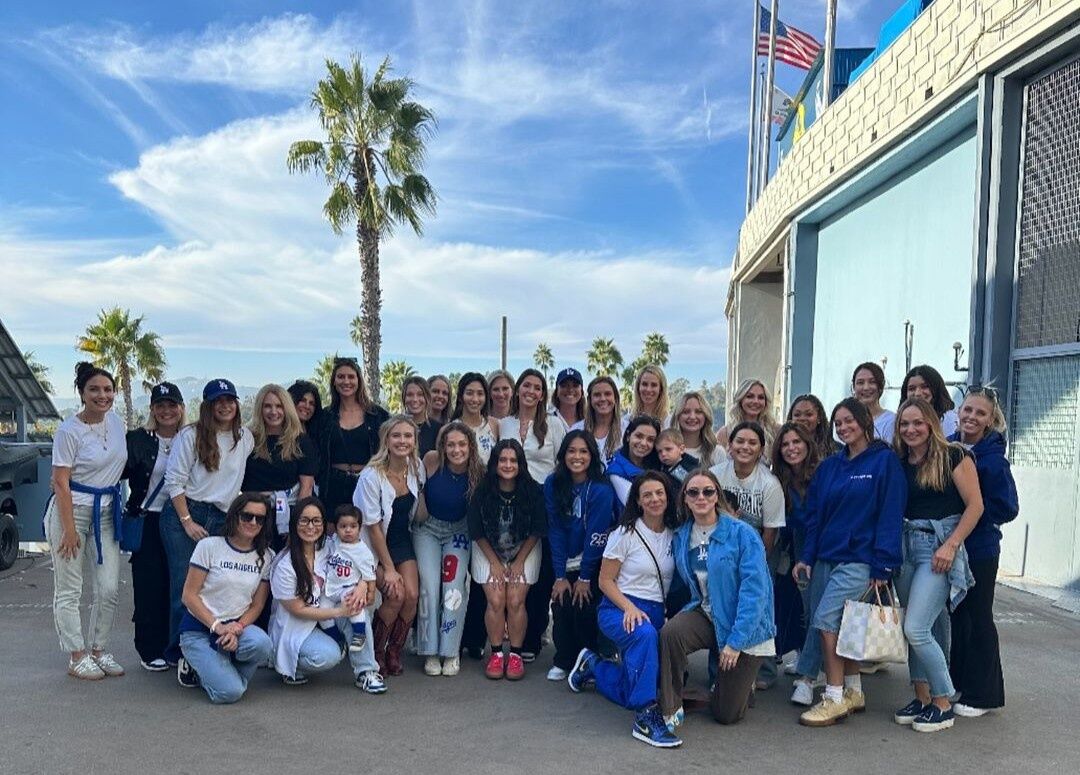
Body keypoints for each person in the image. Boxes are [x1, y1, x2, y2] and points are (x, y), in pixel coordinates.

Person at [792, 397, 906, 727]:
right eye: (838, 423)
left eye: (849, 420)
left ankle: (833, 696)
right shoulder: (830, 466)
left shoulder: (884, 461)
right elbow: (815, 517)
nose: (843, 427)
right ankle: (854, 690)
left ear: (864, 421)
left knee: (826, 621)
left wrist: (883, 565)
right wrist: (807, 557)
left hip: (860, 561)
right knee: (848, 624)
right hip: (826, 558)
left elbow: (891, 514)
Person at [567, 472, 679, 748]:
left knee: (640, 683)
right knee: (644, 636)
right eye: (647, 495)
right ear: (638, 501)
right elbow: (605, 581)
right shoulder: (625, 533)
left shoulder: (674, 534)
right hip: (620, 607)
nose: (654, 499)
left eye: (659, 493)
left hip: (655, 611)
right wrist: (629, 608)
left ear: (668, 497)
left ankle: (594, 666)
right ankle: (645, 716)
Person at [659, 470, 776, 734]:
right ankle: (670, 706)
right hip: (707, 614)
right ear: (685, 499)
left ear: (716, 496)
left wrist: (735, 642)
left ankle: (737, 686)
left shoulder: (742, 534)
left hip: (742, 625)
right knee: (670, 633)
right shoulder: (682, 536)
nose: (701, 497)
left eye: (708, 491)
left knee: (726, 714)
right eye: (693, 492)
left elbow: (755, 593)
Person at [891, 397, 982, 733]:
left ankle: (943, 702)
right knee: (920, 626)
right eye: (904, 423)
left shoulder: (954, 455)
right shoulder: (900, 462)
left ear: (931, 423)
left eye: (918, 422)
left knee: (915, 628)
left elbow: (975, 506)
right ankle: (922, 696)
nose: (911, 429)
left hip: (937, 547)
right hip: (905, 547)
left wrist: (951, 545)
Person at [162, 378, 254, 675]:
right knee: (185, 586)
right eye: (218, 401)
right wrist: (187, 521)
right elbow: (174, 481)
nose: (225, 406)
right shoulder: (190, 435)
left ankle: (211, 647)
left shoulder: (245, 438)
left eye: (229, 400)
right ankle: (180, 653)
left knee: (214, 588)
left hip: (223, 517)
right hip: (188, 512)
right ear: (208, 405)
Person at [46, 362, 128, 680]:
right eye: (94, 389)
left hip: (106, 514)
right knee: (70, 588)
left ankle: (98, 649)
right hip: (72, 513)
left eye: (108, 389)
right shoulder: (69, 431)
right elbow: (60, 481)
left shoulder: (116, 423)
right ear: (82, 393)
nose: (102, 395)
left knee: (108, 588)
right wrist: (69, 530)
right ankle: (76, 654)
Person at [947, 386, 1018, 717]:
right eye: (968, 410)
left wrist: (973, 513)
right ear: (959, 412)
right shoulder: (948, 447)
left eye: (980, 413)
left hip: (979, 549)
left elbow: (1008, 507)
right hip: (950, 546)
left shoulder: (993, 461)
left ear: (991, 420)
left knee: (978, 618)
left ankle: (983, 695)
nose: (972, 417)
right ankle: (960, 681)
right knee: (957, 618)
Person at [268, 497, 384, 692]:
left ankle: (366, 671)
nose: (310, 526)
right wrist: (340, 612)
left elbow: (359, 563)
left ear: (324, 524)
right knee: (328, 656)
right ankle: (288, 664)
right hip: (298, 626)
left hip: (327, 611)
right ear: (294, 523)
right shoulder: (285, 564)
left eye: (316, 520)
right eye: (304, 520)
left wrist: (363, 585)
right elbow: (298, 610)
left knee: (356, 606)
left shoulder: (331, 546)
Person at [710, 421, 786, 689]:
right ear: (729, 446)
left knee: (759, 605)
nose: (745, 447)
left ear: (761, 450)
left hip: (759, 547)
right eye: (739, 441)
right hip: (722, 546)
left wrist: (756, 564)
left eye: (752, 443)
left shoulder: (769, 484)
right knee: (721, 604)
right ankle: (720, 670)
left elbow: (771, 531)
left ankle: (763, 671)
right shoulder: (716, 475)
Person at [178, 493, 274, 703]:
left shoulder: (266, 556)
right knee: (230, 693)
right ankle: (202, 670)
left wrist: (236, 628)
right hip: (200, 629)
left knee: (263, 644)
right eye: (247, 516)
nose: (253, 522)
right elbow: (189, 596)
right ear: (234, 516)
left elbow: (257, 605)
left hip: (236, 629)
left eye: (260, 519)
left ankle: (221, 671)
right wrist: (218, 627)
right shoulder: (209, 546)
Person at [466, 439, 547, 680]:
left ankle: (516, 655)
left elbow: (537, 529)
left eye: (513, 460)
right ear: (495, 463)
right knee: (495, 599)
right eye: (503, 460)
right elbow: (476, 530)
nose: (508, 465)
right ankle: (496, 653)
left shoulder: (533, 490)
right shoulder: (482, 491)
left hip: (525, 548)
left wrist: (519, 561)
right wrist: (494, 562)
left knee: (515, 599)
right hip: (488, 549)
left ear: (521, 464)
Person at [353, 415, 425, 677]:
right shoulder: (371, 476)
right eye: (396, 436)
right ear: (386, 440)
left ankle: (395, 650)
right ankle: (376, 651)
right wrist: (389, 569)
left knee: (412, 595)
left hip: (401, 540)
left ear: (414, 440)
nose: (402, 441)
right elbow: (373, 527)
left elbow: (418, 510)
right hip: (374, 547)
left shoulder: (416, 467)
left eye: (408, 436)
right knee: (396, 595)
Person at [500, 369, 564, 661]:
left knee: (540, 573)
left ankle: (532, 638)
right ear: (518, 389)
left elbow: (562, 463)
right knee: (514, 570)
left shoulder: (553, 424)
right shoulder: (505, 423)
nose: (531, 391)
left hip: (543, 502)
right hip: (511, 502)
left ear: (542, 394)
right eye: (526, 385)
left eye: (537, 387)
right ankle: (508, 632)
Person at [544, 431, 617, 681]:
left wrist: (585, 577)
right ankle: (564, 659)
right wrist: (560, 575)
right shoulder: (553, 483)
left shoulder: (601, 489)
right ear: (563, 455)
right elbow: (555, 529)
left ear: (592, 456)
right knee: (561, 602)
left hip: (594, 561)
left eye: (583, 451)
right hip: (564, 558)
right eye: (572, 451)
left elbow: (596, 535)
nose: (577, 457)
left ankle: (590, 659)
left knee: (585, 606)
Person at [123, 381, 185, 672]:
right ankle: (149, 647)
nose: (166, 410)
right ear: (152, 409)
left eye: (172, 405)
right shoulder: (138, 439)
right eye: (160, 405)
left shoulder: (191, 438)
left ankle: (176, 644)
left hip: (179, 518)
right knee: (149, 584)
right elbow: (114, 469)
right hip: (148, 517)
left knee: (178, 583)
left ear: (181, 408)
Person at [414, 422, 484, 677]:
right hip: (428, 530)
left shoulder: (479, 470)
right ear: (442, 446)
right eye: (451, 444)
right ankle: (430, 651)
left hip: (459, 531)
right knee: (429, 586)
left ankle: (451, 650)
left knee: (454, 588)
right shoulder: (431, 461)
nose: (456, 450)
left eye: (462, 444)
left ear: (470, 446)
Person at [770, 422, 823, 705]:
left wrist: (806, 557)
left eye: (796, 442)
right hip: (794, 544)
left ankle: (809, 675)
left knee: (816, 610)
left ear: (807, 444)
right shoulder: (780, 479)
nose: (791, 448)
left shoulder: (821, 473)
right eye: (786, 444)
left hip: (820, 545)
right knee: (804, 609)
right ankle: (809, 659)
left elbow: (817, 519)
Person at [312, 357, 389, 525]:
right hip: (332, 486)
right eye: (341, 377)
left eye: (351, 377)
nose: (346, 381)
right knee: (332, 535)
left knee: (368, 531)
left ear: (359, 380)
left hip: (367, 484)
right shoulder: (324, 417)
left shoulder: (378, 416)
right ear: (334, 381)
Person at [243, 384, 317, 545]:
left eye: (279, 406)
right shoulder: (247, 439)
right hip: (251, 515)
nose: (273, 411)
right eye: (267, 406)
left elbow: (306, 488)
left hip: (287, 514)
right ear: (259, 409)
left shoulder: (300, 441)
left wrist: (298, 524)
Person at [319, 505, 377, 653]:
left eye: (353, 526)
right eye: (343, 526)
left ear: (360, 528)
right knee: (321, 610)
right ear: (336, 528)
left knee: (354, 602)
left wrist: (370, 594)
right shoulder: (333, 542)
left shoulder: (362, 551)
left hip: (349, 587)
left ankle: (359, 633)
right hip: (330, 588)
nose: (348, 530)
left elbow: (370, 575)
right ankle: (336, 638)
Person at [607, 416, 661, 506]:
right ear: (628, 436)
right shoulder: (616, 472)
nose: (643, 443)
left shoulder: (659, 463)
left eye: (650, 440)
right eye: (639, 436)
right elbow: (639, 505)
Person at [718, 379, 779, 458]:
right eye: (750, 396)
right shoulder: (725, 433)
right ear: (740, 399)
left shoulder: (776, 430)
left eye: (761, 397)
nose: (756, 401)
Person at [450, 371, 499, 464]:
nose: (475, 399)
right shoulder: (448, 429)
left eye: (480, 394)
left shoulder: (494, 425)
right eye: (469, 393)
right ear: (460, 396)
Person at [575, 376, 624, 465]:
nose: (603, 399)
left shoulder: (627, 429)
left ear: (615, 398)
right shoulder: (577, 429)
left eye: (607, 394)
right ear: (590, 400)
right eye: (597, 395)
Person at [670, 391, 727, 467]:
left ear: (706, 416)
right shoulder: (665, 450)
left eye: (698, 412)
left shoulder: (717, 452)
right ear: (677, 416)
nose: (692, 417)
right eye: (686, 412)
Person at [902, 365, 959, 437]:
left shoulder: (948, 419)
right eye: (912, 388)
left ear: (937, 389)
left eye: (924, 387)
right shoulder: (899, 420)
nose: (917, 393)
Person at [852, 362, 895, 443]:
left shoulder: (891, 420)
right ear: (854, 387)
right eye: (860, 383)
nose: (866, 388)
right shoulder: (846, 421)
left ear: (881, 386)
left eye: (872, 382)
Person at [403, 375, 443, 456]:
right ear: (404, 398)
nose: (415, 399)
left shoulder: (439, 430)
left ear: (427, 397)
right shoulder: (394, 427)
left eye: (420, 394)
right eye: (410, 395)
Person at [787, 394, 837, 458]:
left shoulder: (836, 450)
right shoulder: (782, 447)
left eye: (809, 414)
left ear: (819, 418)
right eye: (797, 415)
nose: (802, 418)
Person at [550, 367, 585, 433]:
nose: (570, 390)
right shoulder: (547, 419)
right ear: (557, 390)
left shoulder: (589, 420)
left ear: (581, 391)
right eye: (564, 385)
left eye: (575, 385)